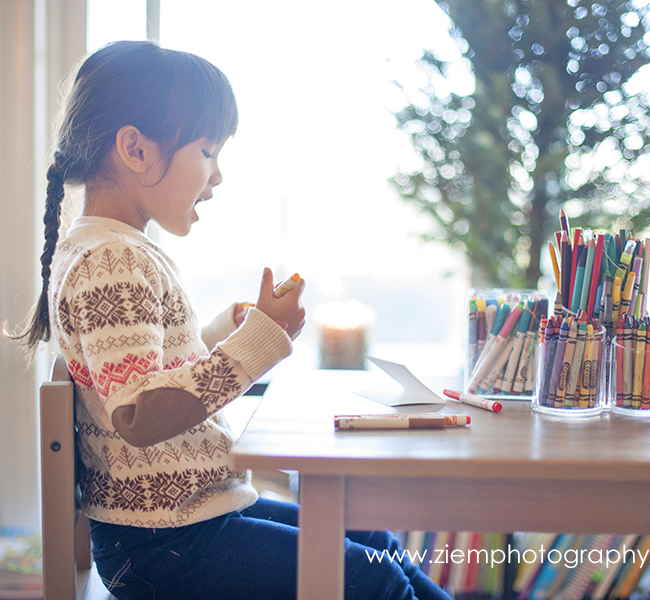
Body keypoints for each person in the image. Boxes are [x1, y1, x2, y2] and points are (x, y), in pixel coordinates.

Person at [9, 41, 452, 600]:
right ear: (135, 149)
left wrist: (220, 334)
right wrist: (260, 343)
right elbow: (139, 413)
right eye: (208, 151)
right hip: (168, 545)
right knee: (374, 579)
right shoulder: (111, 262)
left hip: (186, 525)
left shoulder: (110, 251)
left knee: (374, 541)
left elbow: (143, 367)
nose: (216, 176)